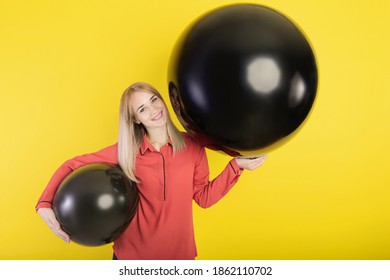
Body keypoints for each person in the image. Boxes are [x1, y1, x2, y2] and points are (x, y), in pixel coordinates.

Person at [36, 82, 267, 260]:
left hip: (179, 259)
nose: (154, 110)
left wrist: (236, 167)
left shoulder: (194, 147)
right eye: (143, 109)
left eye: (154, 100)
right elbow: (72, 164)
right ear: (135, 119)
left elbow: (204, 198)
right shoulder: (126, 152)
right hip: (131, 259)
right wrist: (44, 204)